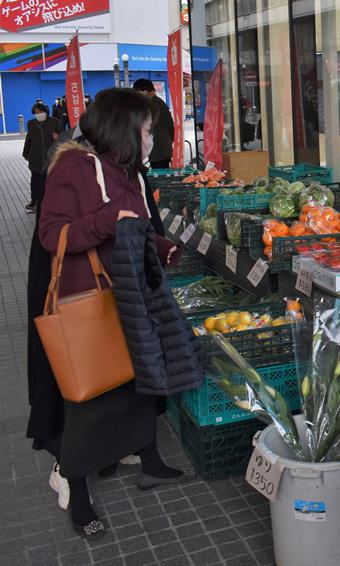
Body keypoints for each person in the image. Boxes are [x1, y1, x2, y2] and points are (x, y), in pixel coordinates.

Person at [34, 88, 188, 540]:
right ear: (124, 130)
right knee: (90, 401)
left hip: (133, 296)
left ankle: (151, 461)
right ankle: (77, 495)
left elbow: (135, 228)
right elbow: (51, 234)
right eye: (145, 130)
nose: (150, 139)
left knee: (140, 386)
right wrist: (105, 220)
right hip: (91, 301)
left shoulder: (128, 173)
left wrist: (164, 248)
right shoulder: (74, 168)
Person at [22, 102, 63, 213]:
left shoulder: (55, 122)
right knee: (35, 181)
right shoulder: (31, 124)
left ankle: (51, 203)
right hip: (35, 157)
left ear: (45, 111)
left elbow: (64, 138)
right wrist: (25, 153)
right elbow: (28, 139)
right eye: (36, 113)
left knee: (50, 181)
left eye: (40, 112)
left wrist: (58, 137)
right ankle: (34, 202)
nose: (38, 114)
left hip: (51, 158)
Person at [133, 78, 175, 169]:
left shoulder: (155, 104)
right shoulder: (154, 103)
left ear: (145, 91)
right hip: (159, 148)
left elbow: (169, 124)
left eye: (138, 93)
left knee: (160, 175)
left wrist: (171, 139)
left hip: (159, 148)